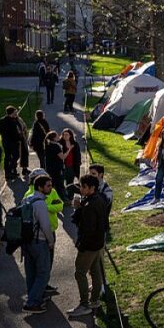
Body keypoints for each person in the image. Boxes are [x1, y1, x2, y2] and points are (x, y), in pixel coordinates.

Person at [68, 174, 109, 316]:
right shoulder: (99, 198)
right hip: (98, 243)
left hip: (89, 245)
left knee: (80, 273)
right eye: (81, 186)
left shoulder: (90, 205)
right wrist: (80, 207)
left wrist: (82, 245)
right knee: (95, 271)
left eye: (84, 187)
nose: (81, 189)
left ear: (92, 188)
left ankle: (84, 304)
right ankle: (95, 300)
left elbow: (88, 229)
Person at [22, 175, 56, 313]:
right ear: (40, 187)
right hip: (39, 241)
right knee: (43, 273)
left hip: (27, 241)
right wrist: (51, 241)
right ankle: (32, 303)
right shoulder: (40, 204)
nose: (50, 188)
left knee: (31, 273)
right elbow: (45, 226)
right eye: (48, 186)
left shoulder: (27, 199)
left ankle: (34, 296)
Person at [0, 105, 24, 179]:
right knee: (15, 156)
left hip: (6, 142)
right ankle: (10, 170)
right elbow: (14, 132)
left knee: (8, 157)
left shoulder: (2, 120)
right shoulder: (12, 120)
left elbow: (0, 131)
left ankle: (10, 171)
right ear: (11, 113)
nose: (16, 113)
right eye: (15, 112)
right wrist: (19, 137)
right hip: (12, 142)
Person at [43, 131, 67, 202]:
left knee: (52, 184)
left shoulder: (48, 145)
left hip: (49, 168)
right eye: (57, 136)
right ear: (53, 138)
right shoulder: (56, 146)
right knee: (59, 185)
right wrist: (69, 150)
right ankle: (63, 199)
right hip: (57, 169)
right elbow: (62, 157)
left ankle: (50, 199)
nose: (58, 137)